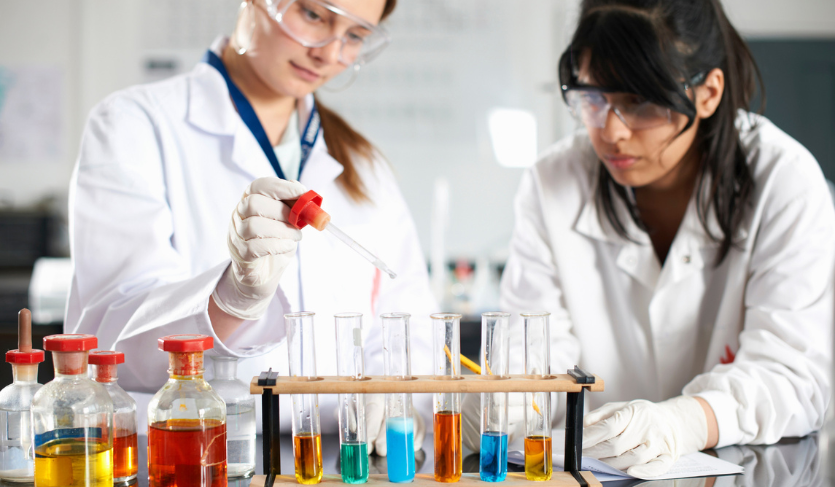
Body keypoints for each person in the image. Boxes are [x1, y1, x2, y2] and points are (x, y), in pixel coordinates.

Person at [65, 0, 434, 455]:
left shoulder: (363, 163)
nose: (329, 53)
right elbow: (106, 344)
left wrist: (396, 398)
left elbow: (410, 322)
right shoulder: (135, 125)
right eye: (314, 15)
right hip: (189, 452)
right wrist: (230, 300)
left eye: (355, 35)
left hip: (341, 456)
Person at [485, 0, 834, 478]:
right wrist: (500, 404)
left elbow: (793, 376)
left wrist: (685, 422)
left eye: (639, 101)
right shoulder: (553, 181)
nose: (611, 131)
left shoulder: (783, 180)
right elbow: (535, 357)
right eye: (592, 98)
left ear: (708, 92)